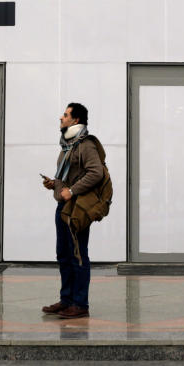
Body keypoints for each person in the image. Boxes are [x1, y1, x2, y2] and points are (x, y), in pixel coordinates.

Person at [41, 103, 104, 319]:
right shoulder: (68, 146)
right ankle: (67, 300)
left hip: (77, 209)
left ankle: (80, 304)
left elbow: (96, 173)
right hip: (63, 207)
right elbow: (69, 175)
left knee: (78, 255)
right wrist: (55, 184)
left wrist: (72, 190)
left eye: (66, 115)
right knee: (64, 255)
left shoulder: (85, 145)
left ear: (76, 120)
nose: (61, 117)